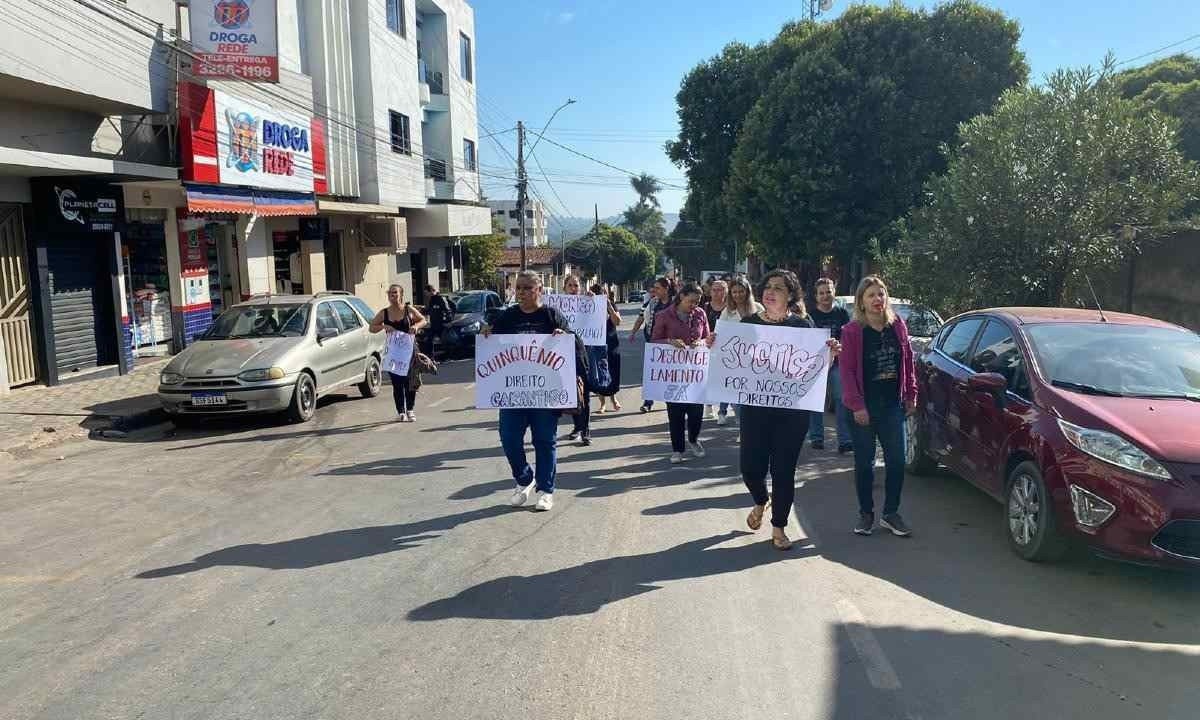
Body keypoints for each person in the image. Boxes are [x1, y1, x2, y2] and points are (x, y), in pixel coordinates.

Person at [709, 269, 841, 550]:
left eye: (778, 288)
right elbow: (730, 360)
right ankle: (760, 499)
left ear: (790, 295)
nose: (770, 291)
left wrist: (828, 353)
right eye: (768, 286)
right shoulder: (747, 324)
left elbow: (814, 371)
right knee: (750, 469)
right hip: (756, 409)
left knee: (783, 471)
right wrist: (714, 346)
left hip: (792, 413)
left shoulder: (803, 327)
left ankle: (779, 527)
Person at [481, 271, 583, 512]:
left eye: (527, 288)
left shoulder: (551, 315)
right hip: (514, 390)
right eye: (518, 288)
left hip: (544, 390)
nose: (522, 293)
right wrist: (486, 332)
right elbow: (493, 342)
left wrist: (564, 334)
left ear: (539, 290)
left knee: (545, 441)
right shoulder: (508, 316)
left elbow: (573, 343)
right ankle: (525, 479)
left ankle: (546, 490)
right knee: (509, 439)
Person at [840, 275, 918, 538]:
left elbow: (907, 362)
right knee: (865, 465)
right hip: (863, 407)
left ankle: (891, 513)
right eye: (871, 295)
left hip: (892, 406)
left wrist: (911, 394)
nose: (877, 299)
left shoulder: (898, 326)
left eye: (881, 294)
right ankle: (866, 514)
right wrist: (857, 405)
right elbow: (847, 372)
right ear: (861, 301)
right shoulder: (852, 331)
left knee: (896, 462)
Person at [651, 283, 709, 464]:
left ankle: (693, 439)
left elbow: (707, 337)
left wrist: (701, 342)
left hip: (695, 372)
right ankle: (677, 449)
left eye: (697, 302)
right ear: (681, 297)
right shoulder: (663, 315)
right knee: (675, 413)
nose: (694, 305)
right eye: (691, 301)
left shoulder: (700, 314)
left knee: (696, 412)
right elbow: (654, 341)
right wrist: (669, 341)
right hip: (673, 373)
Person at [807, 278, 854, 453]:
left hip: (838, 363)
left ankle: (845, 440)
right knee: (815, 401)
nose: (825, 295)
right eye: (822, 293)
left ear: (834, 292)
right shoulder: (810, 316)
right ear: (816, 296)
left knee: (841, 399)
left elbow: (848, 337)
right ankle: (817, 437)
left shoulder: (842, 313)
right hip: (816, 363)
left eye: (828, 291)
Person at [369, 284, 428, 422]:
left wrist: (416, 326)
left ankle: (410, 410)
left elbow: (423, 320)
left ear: (401, 294)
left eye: (395, 292)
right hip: (393, 353)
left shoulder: (408, 309)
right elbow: (372, 327)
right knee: (397, 383)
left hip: (410, 351)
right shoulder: (384, 312)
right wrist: (384, 326)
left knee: (410, 381)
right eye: (390, 293)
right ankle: (401, 411)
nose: (392, 295)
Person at [714, 276, 764, 426]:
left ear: (747, 292)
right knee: (736, 396)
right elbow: (719, 333)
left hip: (755, 360)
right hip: (734, 360)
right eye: (734, 292)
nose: (737, 295)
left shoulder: (759, 308)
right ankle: (742, 424)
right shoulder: (727, 312)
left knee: (750, 396)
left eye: (741, 291)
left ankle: (746, 424)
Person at [630, 277, 672, 413]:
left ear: (666, 289)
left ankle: (671, 401)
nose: (654, 290)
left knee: (670, 373)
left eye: (658, 287)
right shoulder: (651, 303)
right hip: (654, 342)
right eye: (654, 287)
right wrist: (633, 333)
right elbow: (641, 318)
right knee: (652, 373)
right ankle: (648, 402)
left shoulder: (676, 303)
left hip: (672, 344)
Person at [561, 274, 593, 446]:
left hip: (582, 354)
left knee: (584, 392)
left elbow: (597, 322)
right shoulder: (556, 307)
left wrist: (592, 302)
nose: (574, 289)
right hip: (563, 355)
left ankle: (586, 430)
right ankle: (577, 427)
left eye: (576, 285)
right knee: (572, 393)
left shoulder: (587, 303)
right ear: (564, 288)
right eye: (570, 285)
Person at [593, 282, 624, 413]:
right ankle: (602, 403)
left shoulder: (610, 305)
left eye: (603, 293)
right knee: (599, 374)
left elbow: (617, 321)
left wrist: (609, 307)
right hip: (596, 344)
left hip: (611, 343)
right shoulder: (589, 306)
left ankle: (613, 398)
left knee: (612, 371)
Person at [701, 280, 729, 421]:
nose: (717, 293)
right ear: (710, 291)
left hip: (727, 349)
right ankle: (709, 404)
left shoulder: (731, 308)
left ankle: (722, 411)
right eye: (714, 290)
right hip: (708, 348)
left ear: (726, 291)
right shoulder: (705, 308)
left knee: (725, 380)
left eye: (721, 290)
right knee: (709, 378)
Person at [423, 284, 453, 358]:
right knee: (429, 339)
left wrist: (448, 322)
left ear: (431, 291)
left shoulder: (441, 298)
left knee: (444, 341)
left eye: (426, 292)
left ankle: (449, 356)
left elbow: (448, 310)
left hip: (442, 324)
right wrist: (422, 310)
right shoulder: (431, 299)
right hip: (434, 324)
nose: (426, 294)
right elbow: (430, 310)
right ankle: (431, 357)